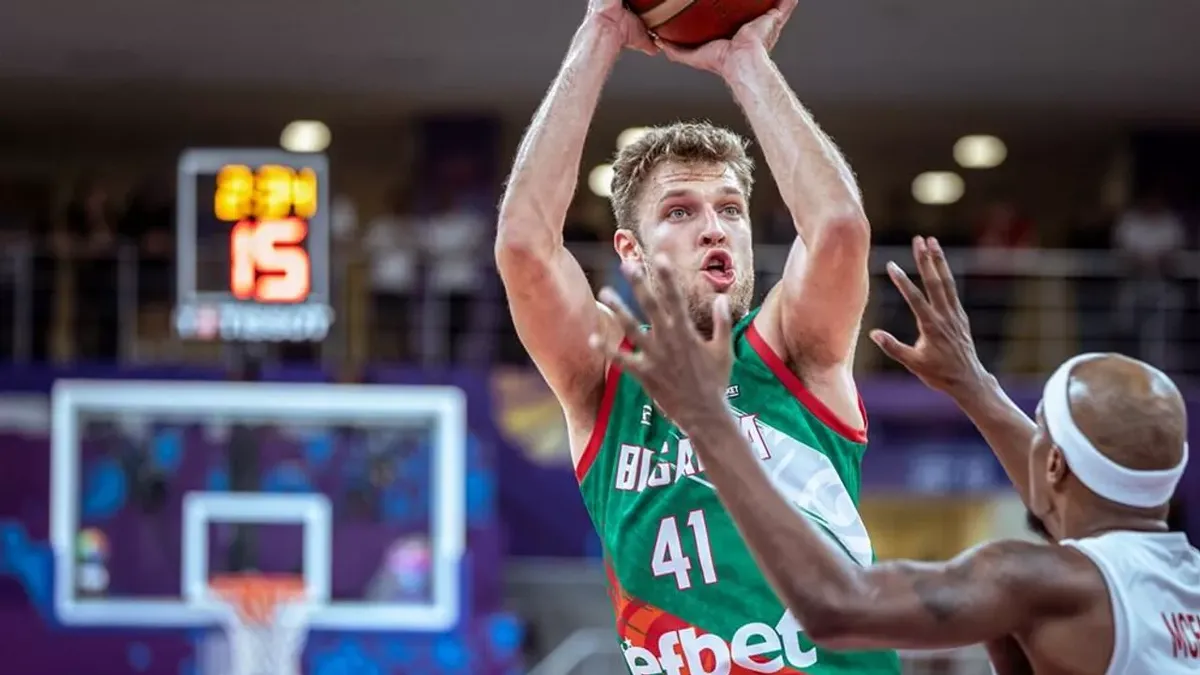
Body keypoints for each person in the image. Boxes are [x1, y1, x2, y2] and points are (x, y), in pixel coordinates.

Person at [496, 0, 900, 671]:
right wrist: (601, 30)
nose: (714, 228)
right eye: (681, 212)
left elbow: (838, 230)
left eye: (730, 210)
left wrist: (746, 63)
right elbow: (523, 248)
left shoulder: (790, 350)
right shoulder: (608, 375)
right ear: (630, 251)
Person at [593, 239, 1199, 674]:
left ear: (1056, 466)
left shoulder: (1036, 579)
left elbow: (835, 608)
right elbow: (1063, 493)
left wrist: (708, 421)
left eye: (1038, 428)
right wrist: (973, 385)